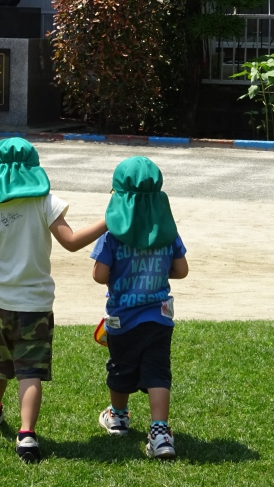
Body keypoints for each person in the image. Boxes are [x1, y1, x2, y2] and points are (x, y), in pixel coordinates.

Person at [0, 137, 106, 463]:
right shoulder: (45, 202)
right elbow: (71, 242)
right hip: (36, 305)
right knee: (29, 371)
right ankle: (27, 434)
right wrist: (109, 221)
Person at [90, 156, 188, 460]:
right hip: (159, 317)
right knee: (158, 372)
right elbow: (181, 270)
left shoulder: (112, 235)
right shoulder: (167, 231)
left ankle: (118, 416)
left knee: (120, 367)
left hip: (122, 319)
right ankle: (160, 432)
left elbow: (99, 275)